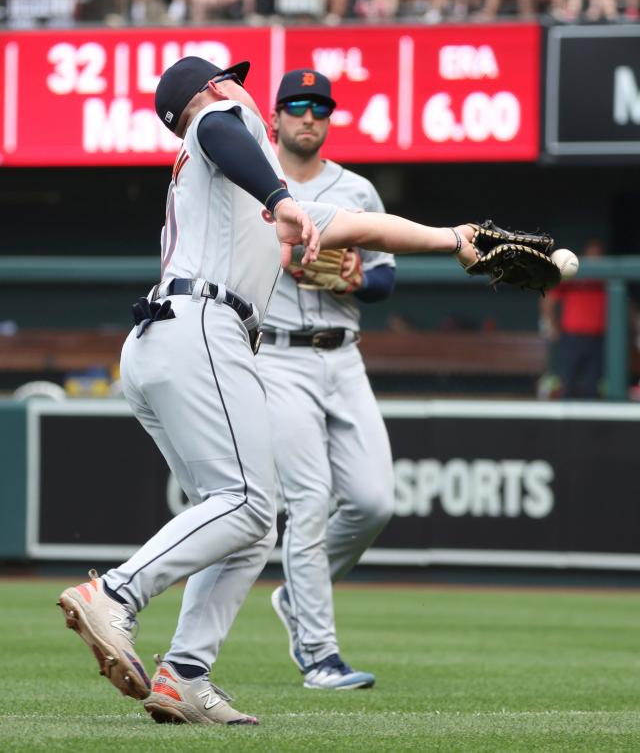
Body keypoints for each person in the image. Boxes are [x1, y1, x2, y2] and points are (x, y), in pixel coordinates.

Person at [57, 53, 479, 727]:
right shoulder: (223, 127)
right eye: (234, 83)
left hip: (168, 339)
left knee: (248, 525)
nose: (241, 90)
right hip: (201, 326)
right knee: (250, 503)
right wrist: (282, 200)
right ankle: (114, 592)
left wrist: (457, 238)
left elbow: (362, 229)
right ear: (216, 90)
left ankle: (185, 673)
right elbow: (220, 128)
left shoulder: (246, 183)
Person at [259, 68, 395, 691]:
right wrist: (283, 259)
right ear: (277, 115)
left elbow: (386, 280)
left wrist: (351, 277)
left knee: (372, 502)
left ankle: (296, 595)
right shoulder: (257, 180)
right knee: (309, 503)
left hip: (343, 354)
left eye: (319, 107)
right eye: (297, 106)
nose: (309, 116)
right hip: (278, 356)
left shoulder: (358, 190)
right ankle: (319, 653)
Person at [540, 238, 606, 398]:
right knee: (567, 383)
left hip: (597, 338)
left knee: (593, 386)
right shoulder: (573, 273)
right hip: (572, 337)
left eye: (598, 255)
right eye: (592, 255)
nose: (595, 258)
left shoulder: (606, 278)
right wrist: (550, 324)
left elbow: (625, 303)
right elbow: (549, 299)